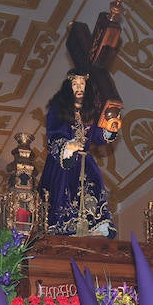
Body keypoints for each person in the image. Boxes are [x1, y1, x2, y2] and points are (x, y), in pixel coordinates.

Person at [38, 70, 118, 237]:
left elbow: (97, 135)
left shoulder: (90, 113)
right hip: (64, 161)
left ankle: (95, 225)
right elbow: (53, 134)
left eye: (82, 84)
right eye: (75, 84)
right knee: (65, 190)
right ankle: (66, 225)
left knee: (94, 184)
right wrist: (68, 146)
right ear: (69, 87)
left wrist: (110, 129)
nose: (79, 87)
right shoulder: (58, 110)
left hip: (85, 160)